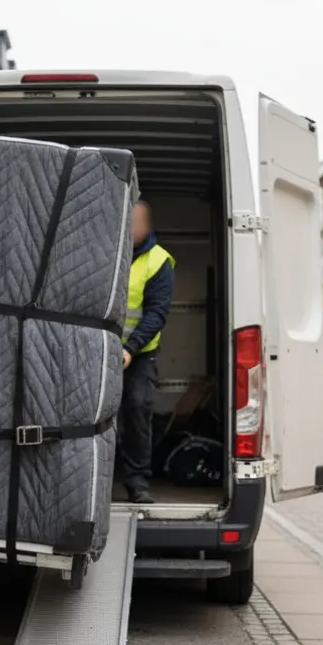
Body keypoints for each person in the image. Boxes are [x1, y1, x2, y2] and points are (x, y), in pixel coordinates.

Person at [118, 201, 175, 505]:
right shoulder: (107, 251)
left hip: (139, 354)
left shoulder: (158, 261)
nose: (131, 227)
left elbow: (155, 314)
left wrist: (130, 348)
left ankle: (136, 482)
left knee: (137, 408)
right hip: (97, 348)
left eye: (137, 222)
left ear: (148, 227)